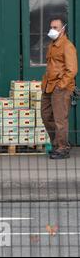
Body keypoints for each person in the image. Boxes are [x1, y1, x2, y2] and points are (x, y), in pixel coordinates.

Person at [41, 18, 78, 160]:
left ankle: (62, 148)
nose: (52, 30)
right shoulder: (52, 45)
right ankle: (57, 144)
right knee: (46, 116)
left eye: (55, 27)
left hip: (61, 87)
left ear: (63, 29)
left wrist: (61, 85)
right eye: (51, 27)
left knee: (60, 119)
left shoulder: (67, 46)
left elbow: (72, 70)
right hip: (48, 86)